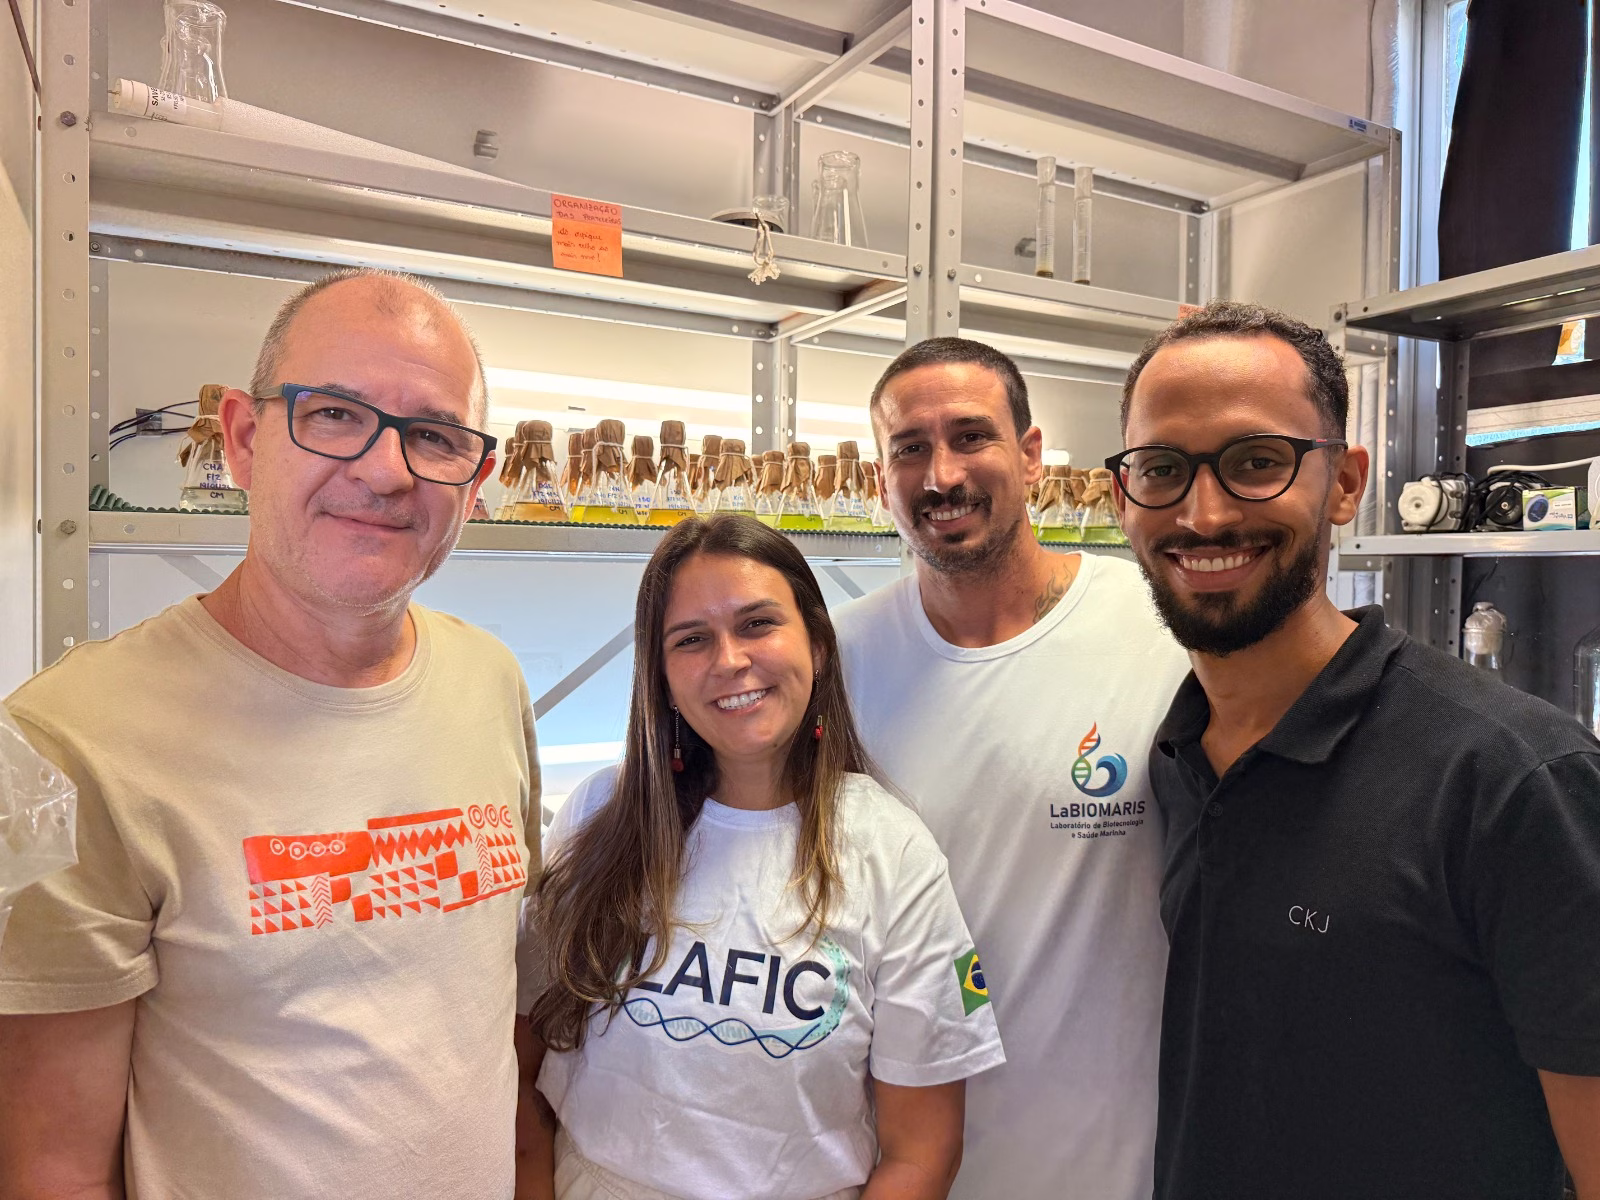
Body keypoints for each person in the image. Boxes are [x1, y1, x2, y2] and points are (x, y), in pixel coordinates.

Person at [0, 268, 542, 1199]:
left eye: (435, 435)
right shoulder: (73, 740)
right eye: (334, 414)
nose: (385, 470)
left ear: (476, 479)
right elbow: (55, 1165)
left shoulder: (491, 680)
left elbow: (503, 1037)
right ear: (246, 440)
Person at [1111, 300, 1600, 1200]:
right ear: (1121, 497)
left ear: (1345, 484)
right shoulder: (1177, 755)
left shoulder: (1512, 778)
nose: (1205, 513)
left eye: (1258, 462)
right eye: (1163, 469)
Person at [521, 514, 1004, 1200]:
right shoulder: (600, 813)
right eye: (691, 639)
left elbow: (922, 1149)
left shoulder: (889, 850)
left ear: (818, 644)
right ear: (658, 675)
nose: (729, 661)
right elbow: (523, 1069)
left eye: (756, 624)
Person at [832, 338, 1190, 1200]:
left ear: (1030, 456)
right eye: (908, 448)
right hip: (898, 1164)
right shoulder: (835, 658)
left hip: (1113, 1161)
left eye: (971, 437)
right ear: (880, 476)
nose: (941, 474)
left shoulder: (1158, 627)